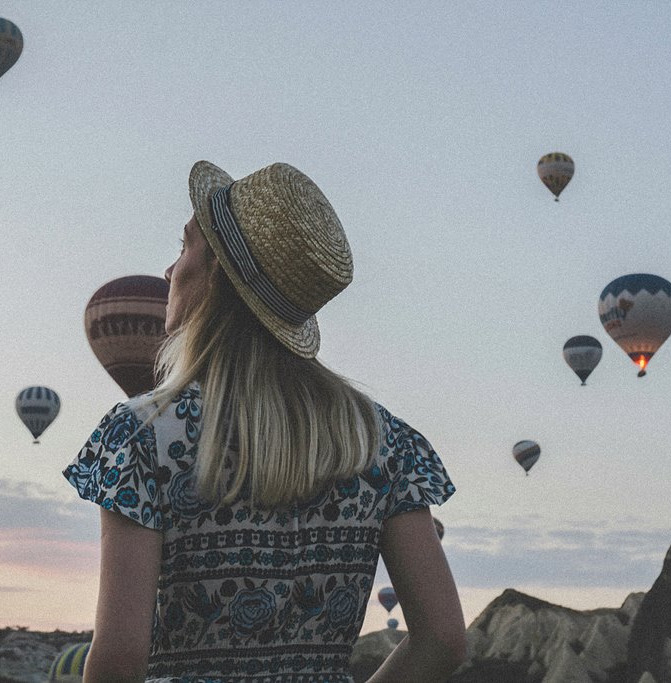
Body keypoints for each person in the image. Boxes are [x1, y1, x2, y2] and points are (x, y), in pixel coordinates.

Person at [64, 161, 465, 683]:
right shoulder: (383, 441)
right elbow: (444, 639)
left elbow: (119, 661)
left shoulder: (140, 437)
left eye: (184, 247)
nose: (169, 271)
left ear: (217, 278)